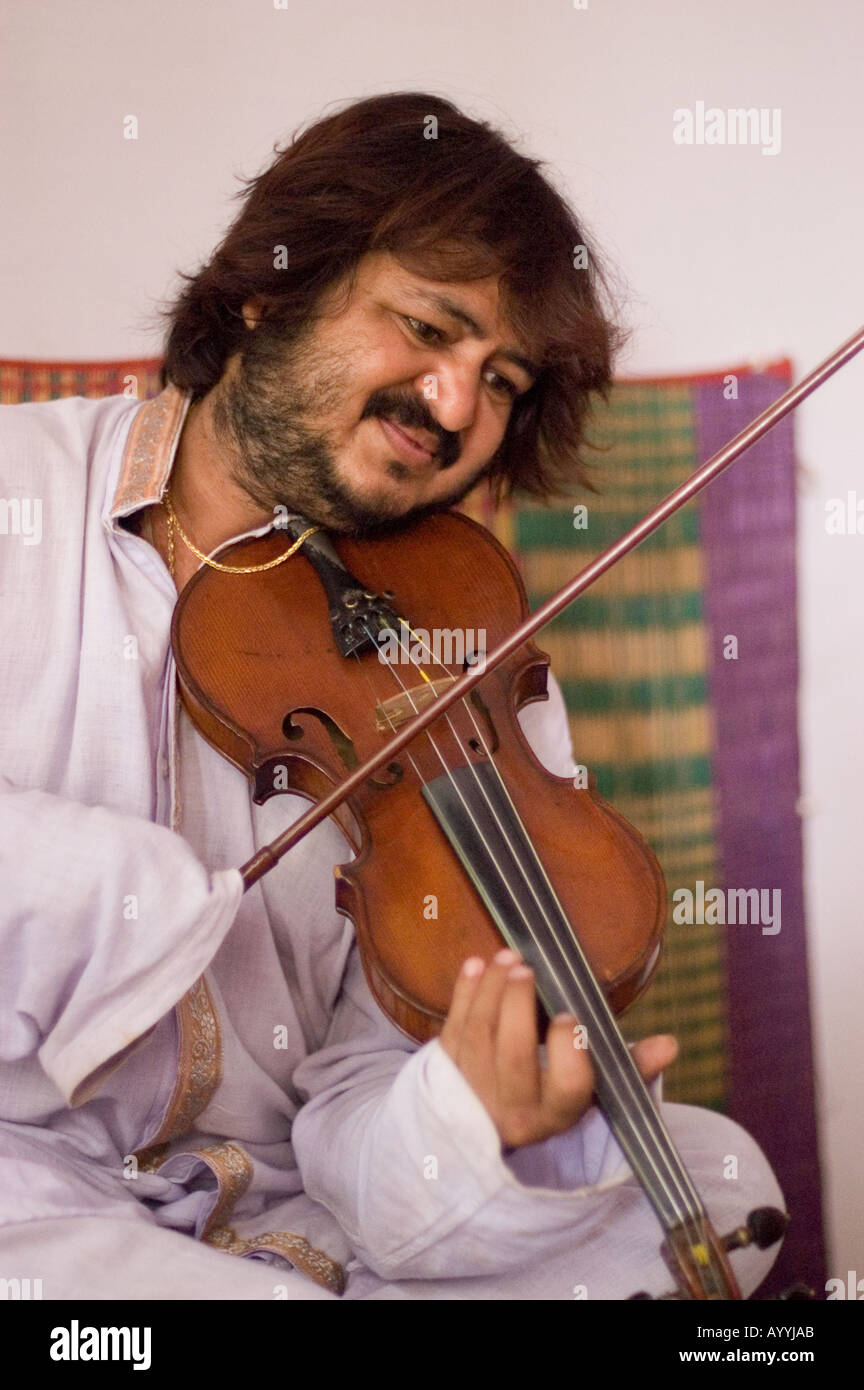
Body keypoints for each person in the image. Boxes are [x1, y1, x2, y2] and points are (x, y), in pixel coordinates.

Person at [0, 92, 783, 1301]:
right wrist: (126, 901)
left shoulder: (466, 652)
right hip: (27, 1182)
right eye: (428, 327)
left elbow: (362, 1107)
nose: (457, 405)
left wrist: (474, 1117)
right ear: (272, 288)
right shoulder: (18, 492)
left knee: (713, 1176)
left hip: (289, 1203)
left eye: (501, 379)